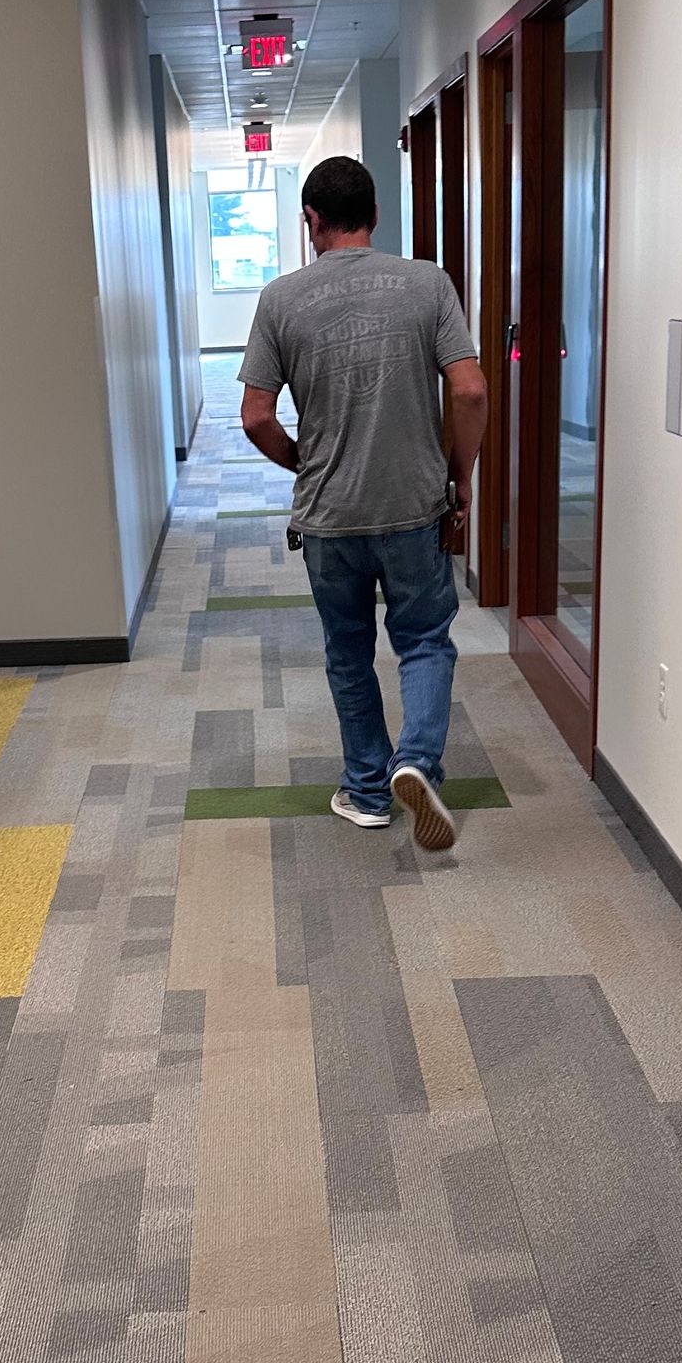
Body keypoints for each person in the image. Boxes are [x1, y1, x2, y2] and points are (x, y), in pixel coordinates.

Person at [237, 155, 489, 851]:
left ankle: (369, 791)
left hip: (329, 515)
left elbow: (256, 417)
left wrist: (303, 461)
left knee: (348, 653)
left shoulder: (280, 299)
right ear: (375, 216)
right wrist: (459, 475)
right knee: (424, 641)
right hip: (413, 505)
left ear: (310, 220)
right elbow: (470, 390)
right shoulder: (428, 282)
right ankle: (418, 761)